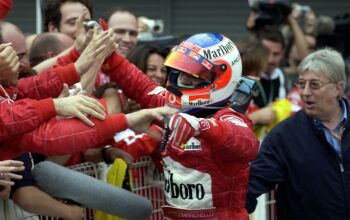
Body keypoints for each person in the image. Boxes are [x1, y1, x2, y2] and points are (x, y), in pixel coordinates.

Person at [101, 32, 259, 220]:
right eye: (183, 73)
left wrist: (203, 127)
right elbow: (141, 86)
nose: (185, 79)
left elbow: (248, 144)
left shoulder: (230, 118)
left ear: (221, 80)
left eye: (196, 76)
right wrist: (111, 58)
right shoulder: (174, 107)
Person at [246, 48, 350, 220]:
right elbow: (252, 184)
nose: (305, 92)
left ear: (338, 88)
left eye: (314, 84)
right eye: (301, 84)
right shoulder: (283, 136)